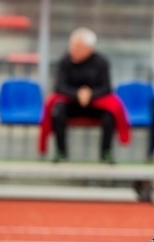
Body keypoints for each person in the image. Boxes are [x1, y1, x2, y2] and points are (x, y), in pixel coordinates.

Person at [48, 27, 120, 164]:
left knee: (110, 113)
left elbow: (106, 87)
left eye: (78, 47)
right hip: (72, 104)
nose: (73, 50)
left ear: (89, 48)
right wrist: (77, 94)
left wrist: (90, 94)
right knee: (58, 110)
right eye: (72, 46)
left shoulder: (101, 62)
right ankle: (61, 152)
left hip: (95, 105)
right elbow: (59, 86)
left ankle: (106, 153)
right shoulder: (65, 61)